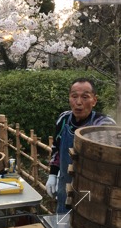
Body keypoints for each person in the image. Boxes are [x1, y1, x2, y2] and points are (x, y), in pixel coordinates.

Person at [46, 78, 116, 214]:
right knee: (62, 224)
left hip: (93, 191)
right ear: (69, 98)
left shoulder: (104, 124)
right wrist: (53, 175)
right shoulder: (63, 119)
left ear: (94, 100)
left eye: (85, 97)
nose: (78, 102)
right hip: (65, 185)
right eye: (74, 96)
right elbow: (57, 149)